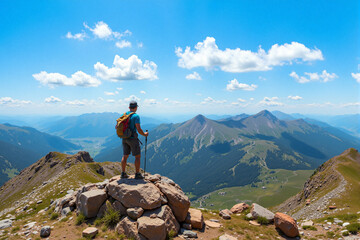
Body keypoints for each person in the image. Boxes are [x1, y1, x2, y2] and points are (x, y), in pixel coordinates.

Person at [121, 100, 149, 179]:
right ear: (136, 107)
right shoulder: (136, 116)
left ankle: (123, 173)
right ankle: (137, 174)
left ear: (129, 107)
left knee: (125, 156)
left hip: (124, 138)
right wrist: (145, 134)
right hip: (133, 139)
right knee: (137, 156)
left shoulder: (124, 115)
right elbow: (139, 129)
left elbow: (117, 127)